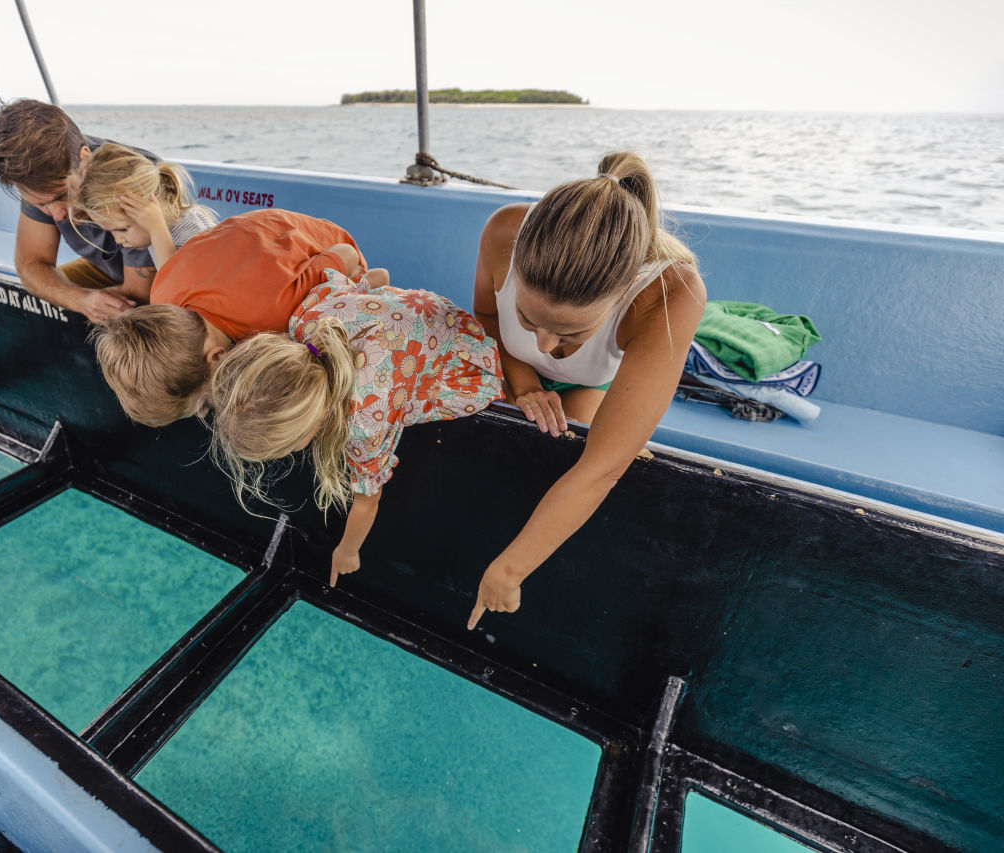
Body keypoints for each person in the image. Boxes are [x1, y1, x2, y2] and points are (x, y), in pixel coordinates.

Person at [468, 151, 706, 629]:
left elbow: (604, 467)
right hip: (504, 364)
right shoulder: (503, 233)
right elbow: (490, 319)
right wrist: (525, 383)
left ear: (622, 294)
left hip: (591, 384)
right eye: (530, 319)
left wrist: (510, 571)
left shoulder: (671, 294)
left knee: (568, 443)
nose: (545, 345)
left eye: (570, 335)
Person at [209, 269, 503, 588]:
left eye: (289, 447)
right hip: (431, 314)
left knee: (408, 400)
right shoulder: (304, 321)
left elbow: (367, 502)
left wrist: (347, 552)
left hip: (466, 363)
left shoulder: (363, 418)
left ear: (318, 419)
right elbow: (364, 278)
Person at [92, 209, 378, 427]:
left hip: (320, 242)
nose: (207, 409)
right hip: (248, 240)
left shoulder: (278, 317)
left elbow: (346, 254)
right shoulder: (162, 296)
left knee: (315, 333)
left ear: (217, 357)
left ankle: (376, 282)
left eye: (203, 404)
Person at [0, 98, 157, 323]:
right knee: (25, 295)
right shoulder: (39, 179)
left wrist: (83, 301)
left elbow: (139, 296)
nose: (57, 215)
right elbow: (31, 263)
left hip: (162, 282)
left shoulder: (134, 179)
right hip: (105, 269)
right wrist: (81, 300)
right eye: (40, 205)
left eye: (62, 197)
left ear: (85, 157)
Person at [70, 143, 217, 284]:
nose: (118, 240)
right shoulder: (169, 230)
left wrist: (156, 229)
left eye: (123, 229)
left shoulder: (190, 231)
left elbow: (176, 284)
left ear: (148, 209)